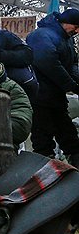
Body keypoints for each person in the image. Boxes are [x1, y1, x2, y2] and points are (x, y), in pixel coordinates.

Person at [26, 9, 79, 164]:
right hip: (40, 97)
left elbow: (72, 63)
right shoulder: (41, 35)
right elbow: (49, 63)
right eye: (75, 26)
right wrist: (71, 85)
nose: (76, 31)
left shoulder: (66, 39)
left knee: (69, 136)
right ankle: (45, 175)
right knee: (43, 139)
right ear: (64, 22)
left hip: (56, 98)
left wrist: (76, 81)